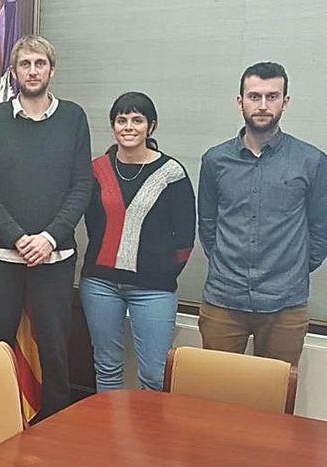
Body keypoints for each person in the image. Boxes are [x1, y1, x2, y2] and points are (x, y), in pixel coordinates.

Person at [0, 35, 92, 419]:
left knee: (54, 348)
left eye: (40, 63)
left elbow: (81, 186)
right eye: (25, 64)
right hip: (0, 256)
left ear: (51, 70)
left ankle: (56, 427)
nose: (33, 70)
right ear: (14, 71)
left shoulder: (73, 117)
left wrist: (49, 238)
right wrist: (19, 238)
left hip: (54, 257)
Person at [198, 61, 327, 365]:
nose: (263, 105)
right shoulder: (215, 160)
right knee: (214, 397)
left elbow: (320, 228)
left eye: (272, 96)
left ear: (286, 102)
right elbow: (207, 224)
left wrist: (293, 271)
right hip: (224, 299)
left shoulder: (312, 161)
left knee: (276, 399)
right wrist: (224, 263)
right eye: (255, 96)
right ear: (240, 102)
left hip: (285, 304)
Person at [80, 92, 196, 392]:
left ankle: (151, 439)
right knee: (106, 368)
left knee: (155, 376)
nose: (128, 127)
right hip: (100, 284)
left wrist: (161, 272)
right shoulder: (97, 170)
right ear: (113, 126)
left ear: (151, 127)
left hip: (154, 289)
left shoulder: (172, 173)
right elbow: (93, 224)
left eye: (137, 120)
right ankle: (111, 437)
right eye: (121, 120)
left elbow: (185, 237)